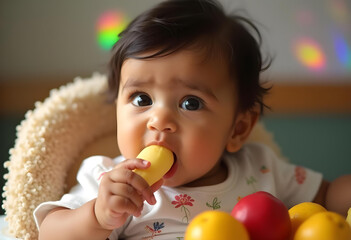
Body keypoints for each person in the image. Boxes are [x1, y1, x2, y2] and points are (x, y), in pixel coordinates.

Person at [34, 0, 351, 239]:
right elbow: (50, 232)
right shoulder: (109, 182)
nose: (160, 120)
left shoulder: (260, 168)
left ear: (238, 129)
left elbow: (329, 197)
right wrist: (98, 216)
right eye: (141, 99)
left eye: (190, 102)